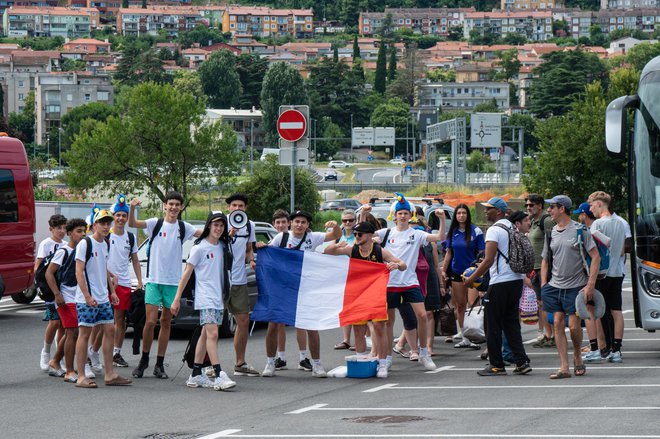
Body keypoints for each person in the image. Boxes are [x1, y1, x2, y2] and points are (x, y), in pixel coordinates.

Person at [366, 193, 445, 372]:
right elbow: (364, 234)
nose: (402, 216)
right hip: (390, 283)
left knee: (423, 316)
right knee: (387, 322)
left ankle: (424, 353)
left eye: (405, 213)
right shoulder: (385, 233)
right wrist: (364, 215)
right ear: (394, 216)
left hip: (410, 281)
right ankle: (385, 359)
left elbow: (440, 237)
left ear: (411, 216)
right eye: (399, 213)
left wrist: (440, 219)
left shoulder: (416, 234)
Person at [128, 192, 201, 379]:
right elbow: (133, 224)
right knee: (151, 321)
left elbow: (206, 233)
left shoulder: (184, 227)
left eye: (177, 204)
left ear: (181, 207)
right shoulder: (155, 223)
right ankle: (144, 360)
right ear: (165, 205)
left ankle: (159, 363)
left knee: (166, 322)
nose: (174, 207)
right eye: (171, 204)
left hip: (173, 283)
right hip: (153, 280)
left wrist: (226, 230)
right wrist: (132, 208)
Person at [263, 210, 341, 378]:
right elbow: (268, 255)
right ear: (291, 223)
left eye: (303, 222)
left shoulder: (313, 238)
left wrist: (335, 227)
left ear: (308, 225)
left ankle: (317, 364)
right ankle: (270, 362)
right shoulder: (281, 238)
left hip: (306, 287)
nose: (299, 225)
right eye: (297, 221)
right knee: (274, 324)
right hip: (283, 288)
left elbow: (335, 235)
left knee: (311, 326)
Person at [324, 221, 407, 378]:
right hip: (358, 295)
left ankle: (382, 364)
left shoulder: (380, 251)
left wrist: (396, 266)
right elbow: (328, 251)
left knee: (378, 328)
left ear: (369, 235)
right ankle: (362, 361)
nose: (356, 236)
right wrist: (336, 245)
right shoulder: (352, 249)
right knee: (358, 331)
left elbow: (403, 264)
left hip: (376, 294)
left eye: (359, 234)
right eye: (355, 234)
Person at [464, 197, 531, 377]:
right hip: (516, 279)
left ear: (499, 211)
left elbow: (488, 260)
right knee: (511, 323)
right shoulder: (512, 227)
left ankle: (496, 365)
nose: (486, 211)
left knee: (492, 324)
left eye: (489, 209)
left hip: (500, 281)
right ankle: (521, 361)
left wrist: (471, 280)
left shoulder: (494, 230)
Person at [171, 212, 236, 391]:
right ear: (209, 226)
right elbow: (187, 272)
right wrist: (177, 299)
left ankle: (195, 375)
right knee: (213, 334)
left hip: (218, 297)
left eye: (221, 225)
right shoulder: (199, 248)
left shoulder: (222, 246)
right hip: (205, 297)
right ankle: (219, 374)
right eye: (215, 225)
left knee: (205, 335)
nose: (218, 228)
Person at [540, 195, 599, 379]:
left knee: (574, 326)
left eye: (552, 207)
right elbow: (545, 260)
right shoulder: (551, 232)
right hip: (554, 286)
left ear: (562, 209)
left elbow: (595, 256)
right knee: (557, 322)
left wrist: (590, 284)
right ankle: (564, 366)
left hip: (576, 286)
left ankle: (577, 355)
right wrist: (543, 284)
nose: (549, 210)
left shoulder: (580, 230)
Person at [74, 209, 132, 388]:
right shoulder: (85, 243)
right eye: (102, 223)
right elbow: (79, 271)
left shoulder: (106, 244)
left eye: (108, 223)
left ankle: (109, 374)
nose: (106, 226)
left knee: (110, 330)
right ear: (94, 225)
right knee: (85, 334)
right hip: (87, 299)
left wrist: (112, 291)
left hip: (103, 297)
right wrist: (87, 295)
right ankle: (81, 376)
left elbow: (102, 267)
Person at [258, 209, 308, 372]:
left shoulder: (305, 237)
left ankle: (303, 357)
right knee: (276, 322)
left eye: (283, 222)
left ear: (289, 223)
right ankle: (277, 358)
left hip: (298, 285)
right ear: (274, 224)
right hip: (278, 287)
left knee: (301, 322)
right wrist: (259, 252)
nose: (280, 225)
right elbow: (266, 256)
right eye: (277, 222)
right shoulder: (277, 239)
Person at [45, 218, 87, 382]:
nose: (83, 234)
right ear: (69, 233)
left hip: (78, 297)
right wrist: (57, 294)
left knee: (73, 332)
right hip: (65, 296)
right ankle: (69, 370)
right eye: (79, 231)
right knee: (72, 332)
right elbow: (49, 273)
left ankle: (55, 361)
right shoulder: (64, 251)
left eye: (84, 231)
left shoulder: (82, 250)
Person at [224, 193, 260, 377]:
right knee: (210, 324)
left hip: (239, 280)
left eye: (241, 206)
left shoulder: (249, 225)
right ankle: (204, 363)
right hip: (221, 280)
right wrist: (227, 236)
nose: (238, 209)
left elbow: (248, 249)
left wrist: (251, 260)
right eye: (234, 205)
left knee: (243, 321)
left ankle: (240, 362)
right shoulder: (219, 222)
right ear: (228, 207)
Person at [588, 191, 626, 363]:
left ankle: (597, 348)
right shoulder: (621, 223)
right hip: (617, 272)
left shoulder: (597, 225)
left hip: (601, 274)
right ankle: (616, 350)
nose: (590, 209)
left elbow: (594, 252)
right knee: (616, 310)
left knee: (594, 310)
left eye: (591, 205)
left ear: (599, 204)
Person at [441, 203, 485, 349]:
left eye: (464, 213)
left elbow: (482, 254)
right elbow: (449, 252)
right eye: (458, 213)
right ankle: (465, 336)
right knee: (460, 305)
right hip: (456, 272)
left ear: (468, 215)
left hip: (473, 273)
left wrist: (480, 272)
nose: (461, 215)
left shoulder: (476, 231)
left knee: (473, 304)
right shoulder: (452, 231)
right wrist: (443, 270)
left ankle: (476, 333)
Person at [107, 194, 142, 368]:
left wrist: (140, 281)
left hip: (124, 283)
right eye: (118, 215)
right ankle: (92, 353)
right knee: (101, 320)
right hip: (105, 283)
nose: (120, 218)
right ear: (113, 216)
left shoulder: (131, 237)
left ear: (127, 218)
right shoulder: (106, 236)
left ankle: (116, 353)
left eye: (124, 215)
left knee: (121, 320)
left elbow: (135, 260)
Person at [37, 214, 67, 372]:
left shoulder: (66, 244)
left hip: (64, 288)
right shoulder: (46, 244)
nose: (62, 231)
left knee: (63, 324)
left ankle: (59, 356)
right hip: (50, 288)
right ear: (51, 229)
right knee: (54, 322)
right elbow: (38, 267)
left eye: (64, 228)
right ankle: (46, 352)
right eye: (58, 228)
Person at [525, 194, 556, 349]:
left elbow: (553, 242)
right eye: (527, 205)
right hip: (535, 267)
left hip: (545, 267)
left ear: (539, 206)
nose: (528, 208)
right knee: (540, 303)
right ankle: (548, 334)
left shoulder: (546, 220)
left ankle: (552, 335)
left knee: (546, 302)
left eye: (531, 205)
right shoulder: (534, 221)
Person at [334, 209, 358, 351]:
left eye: (350, 220)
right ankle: (346, 340)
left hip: (357, 275)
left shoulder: (359, 234)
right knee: (345, 309)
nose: (348, 223)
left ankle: (360, 340)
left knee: (357, 308)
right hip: (341, 276)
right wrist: (337, 245)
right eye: (344, 220)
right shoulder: (337, 236)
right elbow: (327, 250)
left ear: (355, 221)